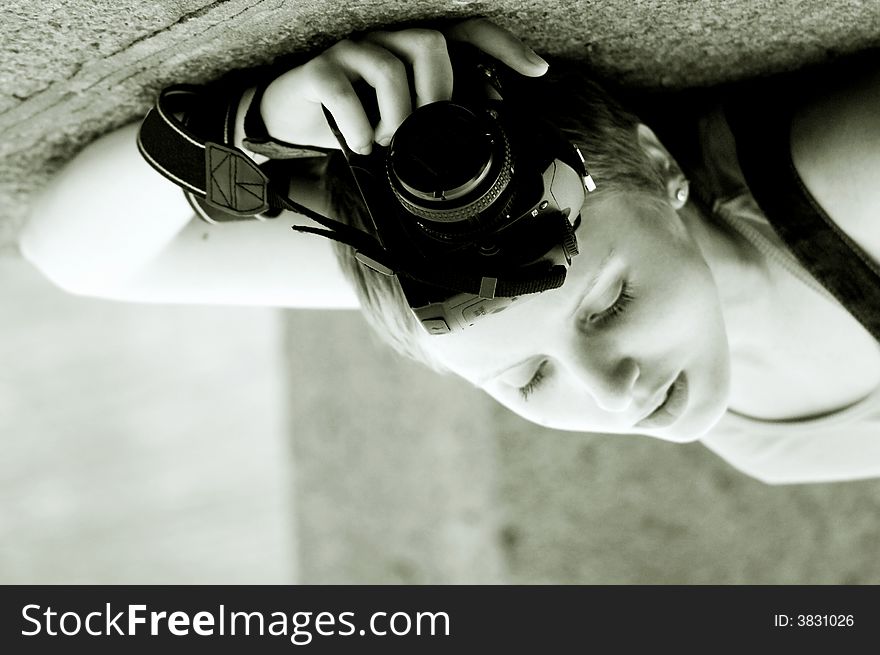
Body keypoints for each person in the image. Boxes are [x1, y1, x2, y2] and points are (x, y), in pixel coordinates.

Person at [19, 19, 880, 484]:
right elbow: (79, 258)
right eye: (524, 378)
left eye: (609, 303)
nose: (612, 392)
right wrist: (245, 127)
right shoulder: (453, 292)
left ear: (657, 164)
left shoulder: (856, 179)